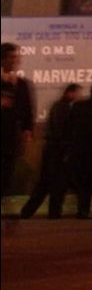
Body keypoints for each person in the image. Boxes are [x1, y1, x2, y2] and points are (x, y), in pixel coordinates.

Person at [20, 84, 81, 219]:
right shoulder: (63, 108)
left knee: (45, 184)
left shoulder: (58, 106)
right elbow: (61, 130)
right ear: (70, 93)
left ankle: (28, 212)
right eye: (77, 93)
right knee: (57, 184)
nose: (78, 96)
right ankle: (53, 213)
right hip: (57, 150)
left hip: (52, 149)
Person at [67, 81, 92, 219]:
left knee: (83, 183)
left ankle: (82, 209)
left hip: (78, 149)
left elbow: (70, 126)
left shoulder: (78, 106)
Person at [1, 42, 34, 206]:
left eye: (17, 57)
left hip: (11, 135)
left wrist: (27, 130)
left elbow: (27, 109)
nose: (16, 60)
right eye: (12, 57)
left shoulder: (21, 83)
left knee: (7, 168)